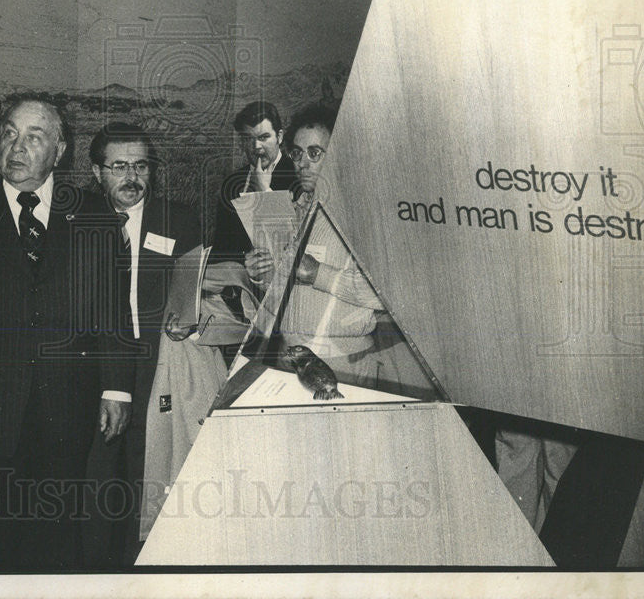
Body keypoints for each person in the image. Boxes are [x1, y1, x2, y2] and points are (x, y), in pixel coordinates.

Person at [0, 96, 134, 571]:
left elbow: (114, 312)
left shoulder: (95, 216)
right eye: (9, 134)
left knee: (59, 536)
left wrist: (117, 387)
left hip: (68, 408)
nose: (17, 146)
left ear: (60, 150)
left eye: (34, 136)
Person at [244, 103, 432, 396]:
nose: (302, 163)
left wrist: (317, 273)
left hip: (344, 365)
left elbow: (384, 295)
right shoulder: (292, 210)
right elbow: (282, 294)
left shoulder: (366, 214)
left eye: (315, 153)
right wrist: (260, 277)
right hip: (288, 358)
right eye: (297, 153)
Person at [83, 122, 205, 566]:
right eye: (118, 166)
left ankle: (144, 565)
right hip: (94, 364)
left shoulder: (179, 219)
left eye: (141, 165)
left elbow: (197, 289)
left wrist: (189, 319)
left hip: (158, 359)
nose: (132, 176)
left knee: (149, 464)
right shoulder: (75, 219)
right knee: (95, 469)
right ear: (96, 172)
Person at [211, 101, 297, 264]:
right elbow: (221, 249)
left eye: (264, 137)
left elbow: (292, 242)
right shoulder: (232, 183)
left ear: (279, 137)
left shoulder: (297, 176)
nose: (256, 146)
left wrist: (264, 190)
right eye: (248, 139)